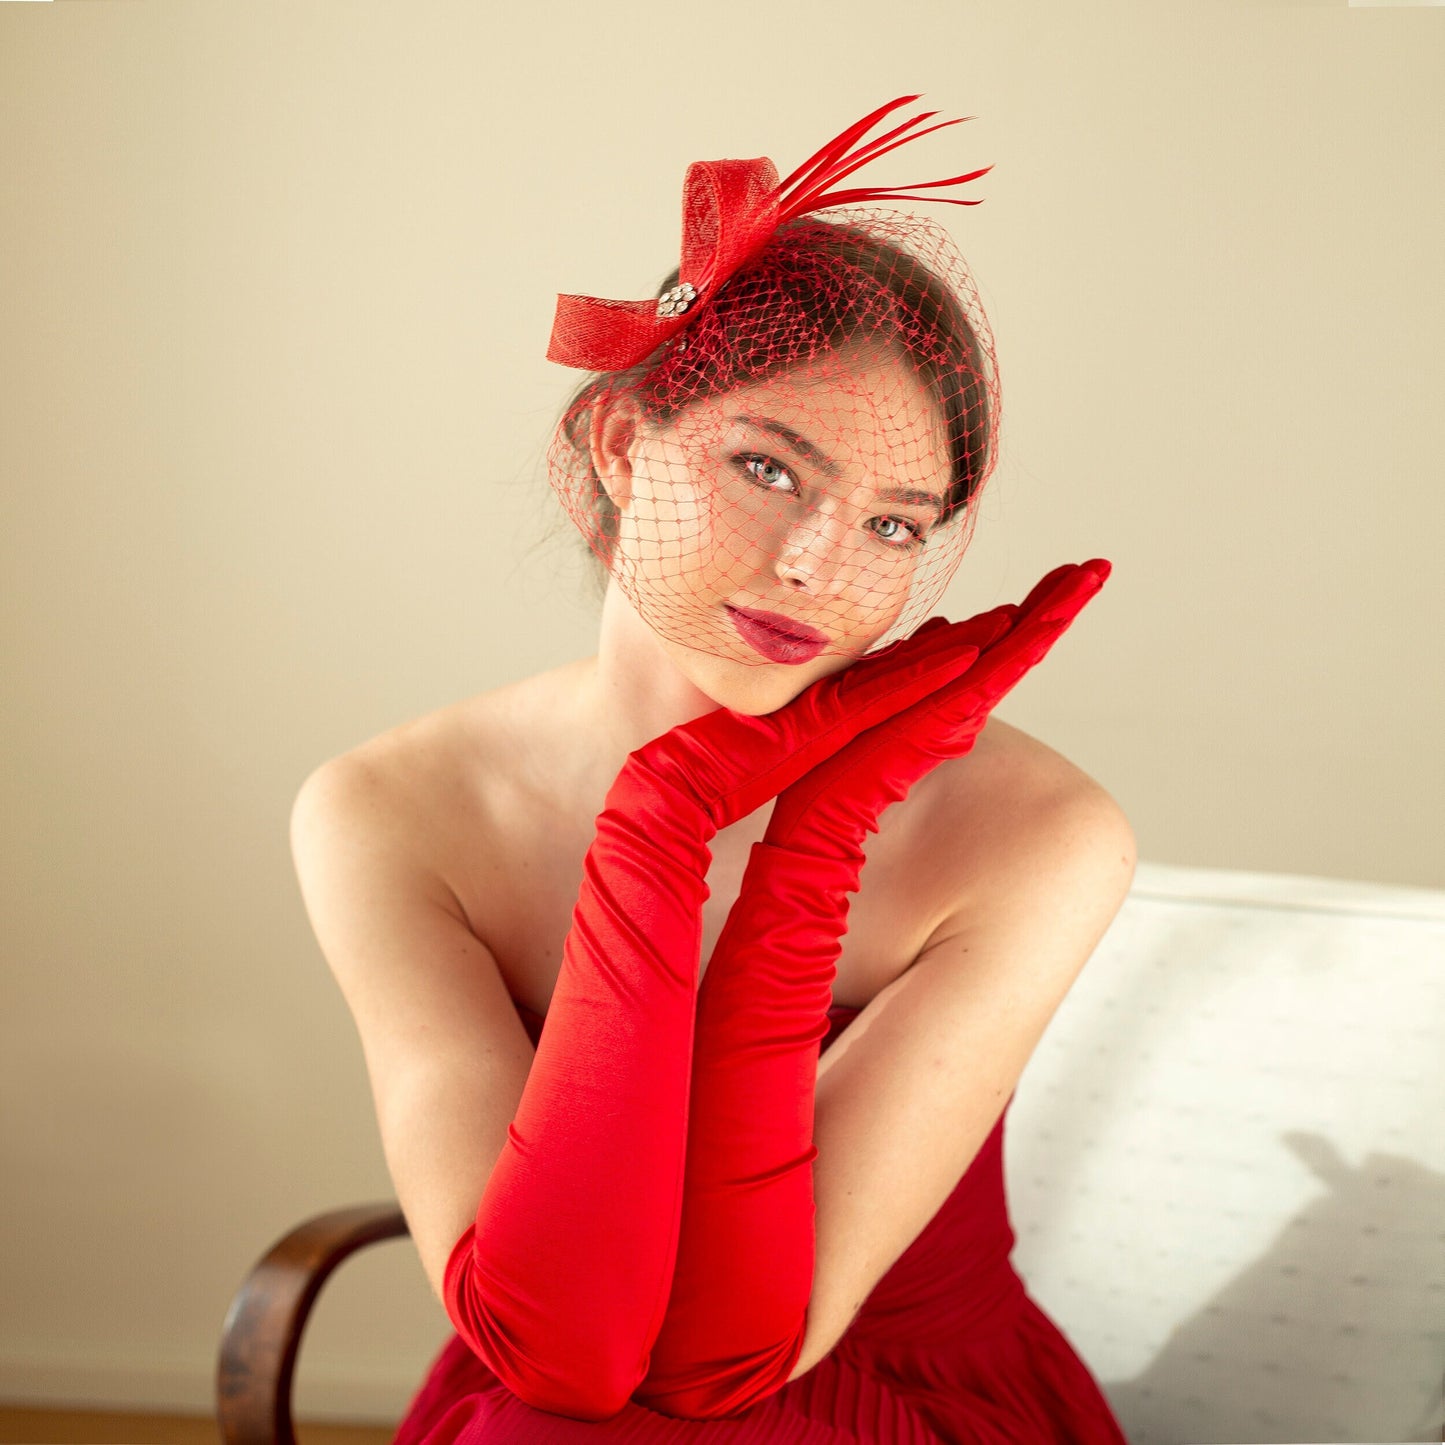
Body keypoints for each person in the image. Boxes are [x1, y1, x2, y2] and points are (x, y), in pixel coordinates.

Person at [290, 96, 1137, 1443]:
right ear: (621, 444)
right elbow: (561, 1342)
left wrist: (815, 832)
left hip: (890, 1392)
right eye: (766, 466)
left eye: (890, 523)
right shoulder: (392, 810)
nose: (817, 564)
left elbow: (726, 1363)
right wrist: (661, 823)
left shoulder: (1039, 830)